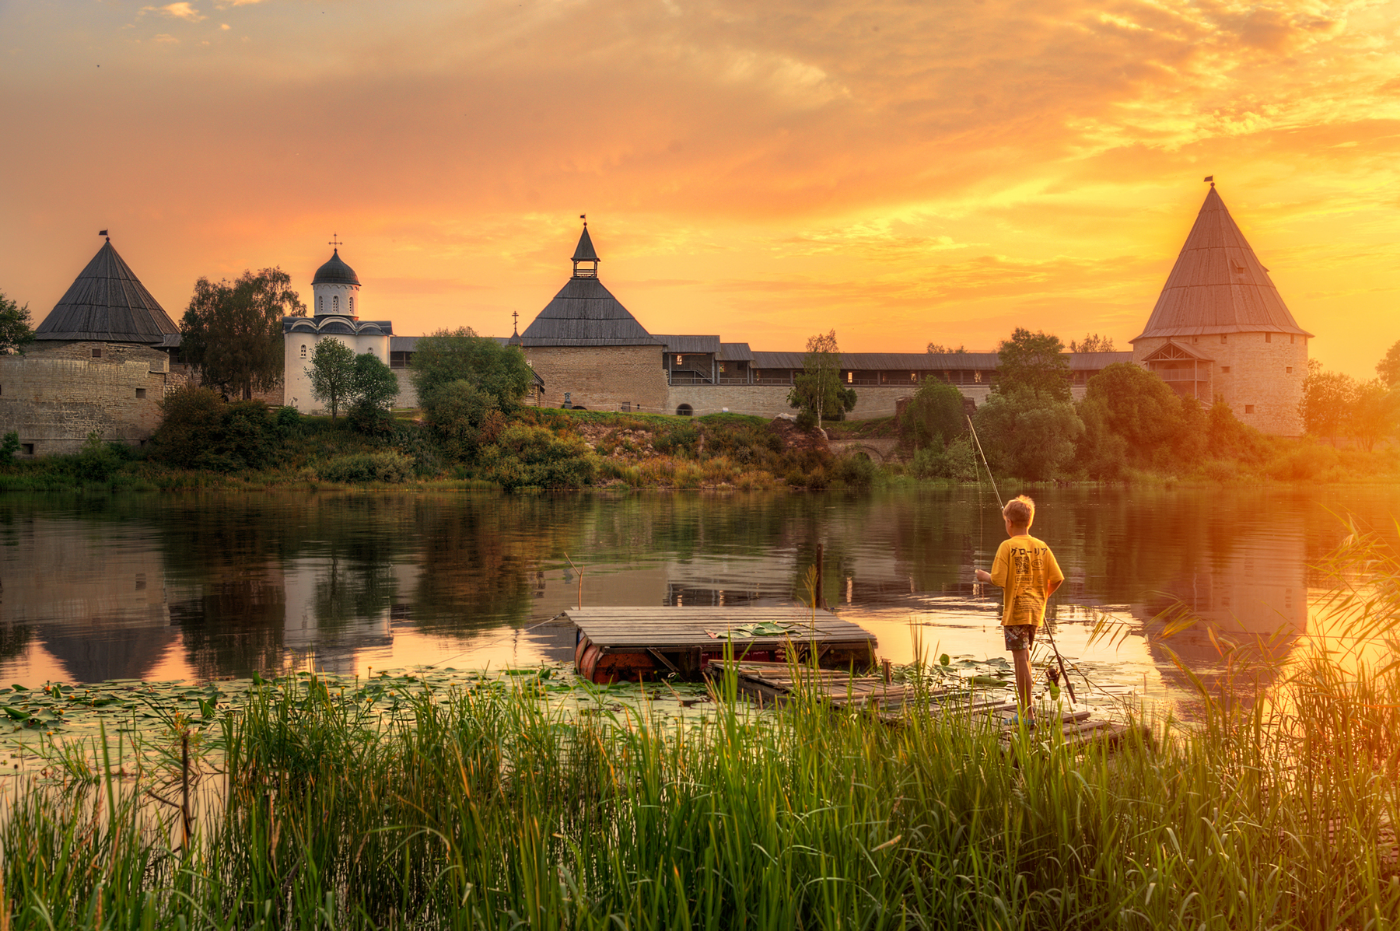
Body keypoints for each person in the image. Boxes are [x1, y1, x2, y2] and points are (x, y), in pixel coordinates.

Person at [973, 495, 1063, 727]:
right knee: (1025, 658)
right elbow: (1058, 578)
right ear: (1029, 522)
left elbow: (1000, 579)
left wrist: (984, 577)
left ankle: (1028, 715)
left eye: (1005, 521)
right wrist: (1042, 598)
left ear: (1009, 522)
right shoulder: (1041, 546)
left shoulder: (1007, 546)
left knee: (1020, 660)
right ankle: (1028, 712)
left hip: (1016, 612)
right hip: (1035, 612)